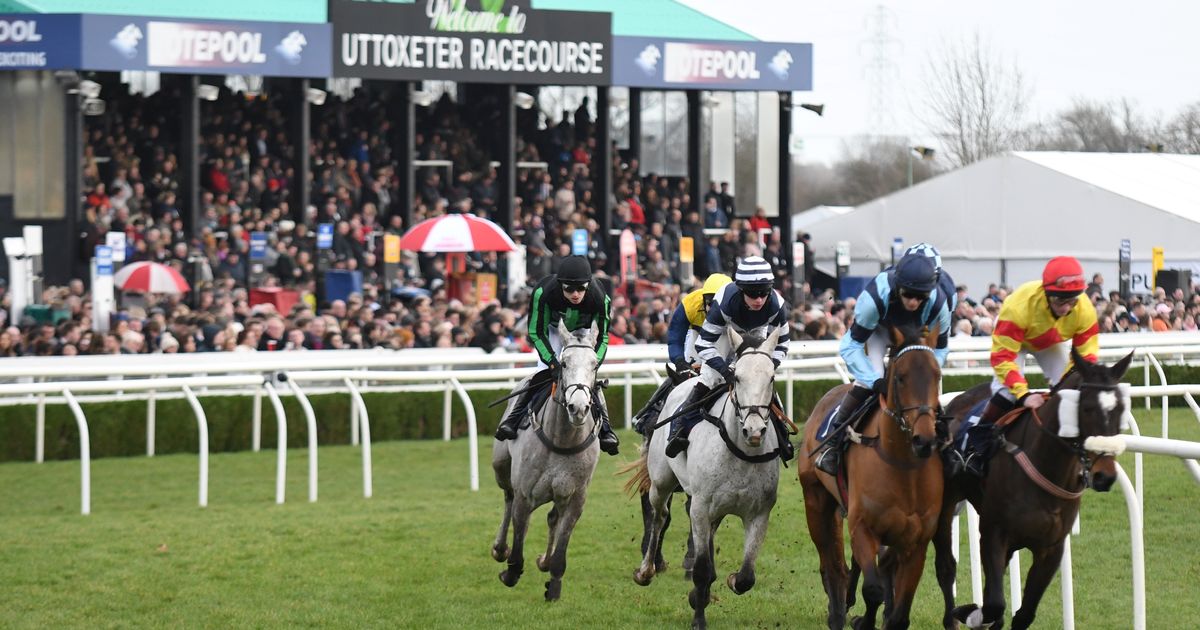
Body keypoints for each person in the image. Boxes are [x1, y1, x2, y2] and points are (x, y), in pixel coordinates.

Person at [951, 256, 1099, 477]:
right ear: (1047, 293)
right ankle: (975, 447)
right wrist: (1023, 395)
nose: (1067, 308)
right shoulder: (1018, 308)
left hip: (1050, 341)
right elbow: (1002, 358)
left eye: (1072, 301)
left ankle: (1073, 451)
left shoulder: (1083, 308)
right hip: (1014, 344)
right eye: (1060, 301)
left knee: (1072, 389)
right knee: (1006, 394)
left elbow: (1086, 360)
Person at [813, 251, 953, 475]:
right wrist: (875, 380)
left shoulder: (940, 303)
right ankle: (834, 443)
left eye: (921, 297)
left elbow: (943, 347)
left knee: (923, 383)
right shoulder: (874, 298)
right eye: (909, 295)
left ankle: (947, 445)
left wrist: (928, 372)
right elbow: (850, 346)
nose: (914, 302)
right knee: (871, 378)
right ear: (898, 287)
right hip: (879, 331)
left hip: (917, 334)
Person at [664, 257, 794, 461]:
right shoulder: (724, 303)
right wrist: (725, 370)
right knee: (710, 376)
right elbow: (704, 344)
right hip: (726, 329)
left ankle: (782, 433)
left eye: (763, 293)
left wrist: (765, 367)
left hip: (755, 329)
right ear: (741, 290)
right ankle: (679, 427)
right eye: (752, 294)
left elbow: (783, 344)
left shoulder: (777, 305)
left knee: (762, 380)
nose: (759, 300)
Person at [493, 255, 620, 455]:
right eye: (569, 289)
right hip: (552, 330)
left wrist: (593, 363)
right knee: (542, 372)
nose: (576, 294)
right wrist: (552, 363)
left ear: (588, 286)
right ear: (560, 285)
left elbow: (603, 337)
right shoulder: (543, 292)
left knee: (586, 378)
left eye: (580, 289)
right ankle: (513, 419)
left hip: (584, 333)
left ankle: (606, 430)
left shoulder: (600, 297)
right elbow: (536, 332)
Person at [633, 273, 733, 432]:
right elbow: (675, 338)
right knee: (677, 380)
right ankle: (648, 417)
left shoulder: (741, 307)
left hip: (728, 345)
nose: (713, 310)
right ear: (703, 298)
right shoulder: (690, 303)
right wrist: (680, 362)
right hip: (697, 344)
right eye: (710, 303)